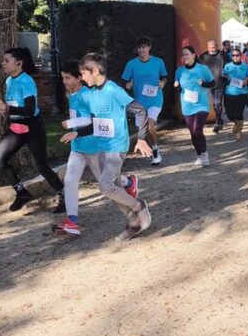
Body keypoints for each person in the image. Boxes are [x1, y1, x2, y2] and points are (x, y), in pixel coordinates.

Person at [56, 53, 152, 240]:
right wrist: (77, 132)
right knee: (115, 189)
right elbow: (94, 123)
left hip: (117, 147)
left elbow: (140, 110)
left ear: (96, 71)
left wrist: (141, 138)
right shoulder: (91, 94)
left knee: (106, 186)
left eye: (84, 74)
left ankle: (138, 206)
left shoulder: (113, 90)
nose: (82, 78)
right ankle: (133, 223)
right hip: (100, 147)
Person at [0, 47, 65, 212]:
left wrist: (6, 108)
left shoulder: (26, 81)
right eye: (3, 60)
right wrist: (4, 109)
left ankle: (64, 195)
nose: (3, 63)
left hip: (33, 127)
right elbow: (15, 107)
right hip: (16, 128)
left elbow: (30, 110)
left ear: (19, 63)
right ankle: (22, 193)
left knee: (40, 166)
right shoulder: (10, 80)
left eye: (6, 61)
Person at [121, 36, 168, 165]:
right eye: (139, 48)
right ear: (137, 49)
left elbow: (164, 77)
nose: (142, 50)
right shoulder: (131, 64)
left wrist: (163, 83)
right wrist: (127, 85)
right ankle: (154, 148)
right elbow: (125, 80)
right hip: (139, 102)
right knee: (144, 128)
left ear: (149, 48)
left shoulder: (158, 62)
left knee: (149, 124)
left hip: (155, 99)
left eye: (144, 47)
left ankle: (156, 151)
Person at [175, 45, 215, 166]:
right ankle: (199, 155)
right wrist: (176, 86)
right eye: (183, 55)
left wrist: (204, 84)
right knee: (193, 133)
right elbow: (179, 88)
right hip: (187, 106)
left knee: (197, 130)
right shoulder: (180, 71)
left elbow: (212, 83)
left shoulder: (202, 69)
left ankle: (205, 154)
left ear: (193, 55)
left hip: (201, 105)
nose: (185, 56)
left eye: (187, 54)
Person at [222, 47, 248, 141]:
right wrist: (225, 77)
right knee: (230, 114)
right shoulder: (227, 66)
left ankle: (239, 131)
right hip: (229, 93)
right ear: (231, 56)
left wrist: (246, 81)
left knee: (239, 114)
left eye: (237, 55)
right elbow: (223, 77)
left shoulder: (245, 66)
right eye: (233, 55)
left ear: (241, 56)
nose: (235, 57)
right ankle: (236, 123)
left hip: (242, 93)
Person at [199, 39, 227, 133]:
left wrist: (227, 74)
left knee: (218, 103)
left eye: (214, 47)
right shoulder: (203, 56)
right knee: (214, 105)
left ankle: (217, 123)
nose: (212, 49)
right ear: (207, 47)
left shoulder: (223, 55)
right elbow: (199, 69)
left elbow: (230, 67)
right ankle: (220, 120)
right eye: (210, 48)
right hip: (209, 84)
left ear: (217, 46)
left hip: (220, 83)